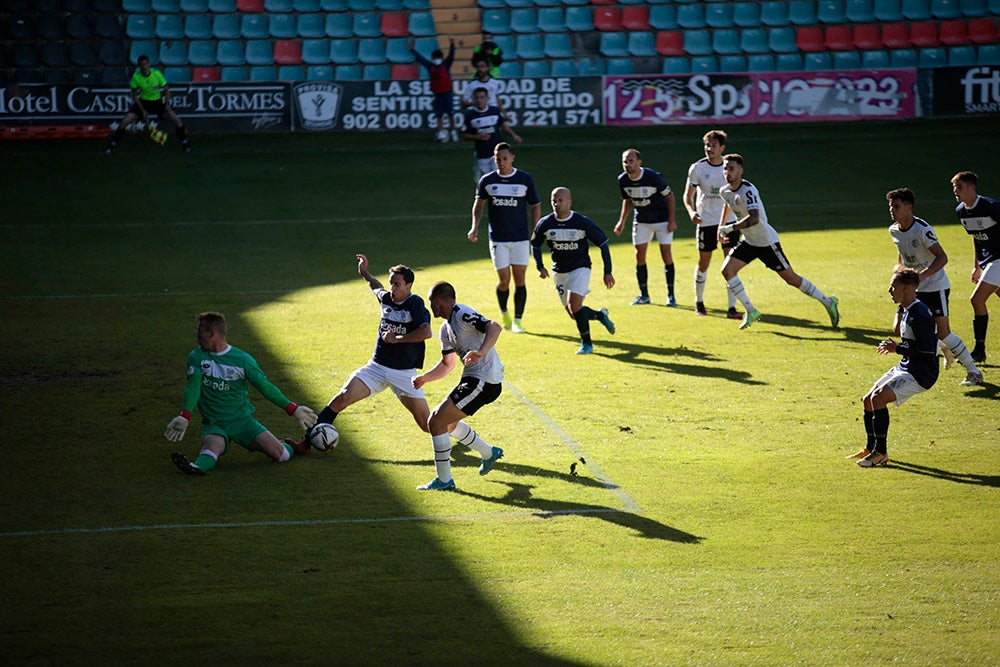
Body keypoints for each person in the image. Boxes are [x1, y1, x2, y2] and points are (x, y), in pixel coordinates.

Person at [292, 254, 432, 447]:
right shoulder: (386, 299)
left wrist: (397, 339)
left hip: (404, 373)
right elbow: (376, 286)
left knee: (428, 424)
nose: (392, 288)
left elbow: (426, 332)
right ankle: (306, 443)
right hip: (375, 368)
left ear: (409, 286)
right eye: (391, 283)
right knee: (341, 399)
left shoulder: (414, 303)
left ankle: (463, 433)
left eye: (397, 284)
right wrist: (365, 272)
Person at [165, 311, 318, 475]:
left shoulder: (243, 360)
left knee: (281, 455)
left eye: (200, 331)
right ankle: (196, 467)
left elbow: (265, 387)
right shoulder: (197, 357)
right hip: (214, 423)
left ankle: (293, 447)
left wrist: (293, 409)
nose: (197, 335)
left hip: (242, 421)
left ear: (212, 334)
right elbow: (193, 387)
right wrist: (185, 416)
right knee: (210, 447)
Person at [718, 153, 840, 330]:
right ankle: (751, 310)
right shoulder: (724, 191)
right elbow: (728, 204)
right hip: (750, 242)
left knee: (791, 279)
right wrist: (720, 227)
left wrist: (729, 228)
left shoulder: (748, 190)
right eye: (725, 169)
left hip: (767, 242)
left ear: (740, 171)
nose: (727, 172)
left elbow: (754, 219)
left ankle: (828, 302)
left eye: (731, 169)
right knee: (727, 270)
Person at [411, 281, 505, 491]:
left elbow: (494, 327)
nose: (430, 306)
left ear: (439, 300)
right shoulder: (445, 329)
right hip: (473, 379)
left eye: (430, 301)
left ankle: (444, 480)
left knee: (435, 422)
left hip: (484, 379)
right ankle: (489, 453)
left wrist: (480, 351)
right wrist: (425, 377)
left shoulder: (461, 313)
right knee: (447, 424)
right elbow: (448, 364)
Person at [886, 188, 983, 386]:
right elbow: (903, 255)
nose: (892, 210)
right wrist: (900, 274)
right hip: (912, 288)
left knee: (943, 331)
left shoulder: (922, 230)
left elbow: (942, 257)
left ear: (909, 207)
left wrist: (922, 277)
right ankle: (939, 345)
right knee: (898, 329)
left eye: (896, 206)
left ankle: (974, 371)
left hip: (935, 286)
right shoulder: (893, 230)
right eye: (890, 206)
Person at [849, 268, 939, 468]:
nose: (890, 290)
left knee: (879, 398)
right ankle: (870, 447)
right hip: (906, 366)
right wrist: (898, 348)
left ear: (906, 288)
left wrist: (897, 348)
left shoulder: (920, 314)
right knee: (868, 400)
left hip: (921, 373)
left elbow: (927, 350)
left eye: (893, 286)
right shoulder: (908, 310)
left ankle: (881, 453)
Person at [532, 186, 616, 354]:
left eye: (560, 200)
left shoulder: (582, 222)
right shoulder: (545, 224)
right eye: (554, 201)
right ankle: (600, 315)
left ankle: (587, 344)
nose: (557, 204)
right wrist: (539, 266)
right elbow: (535, 244)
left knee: (574, 305)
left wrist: (608, 271)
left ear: (569, 202)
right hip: (559, 271)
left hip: (580, 268)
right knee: (573, 312)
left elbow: (603, 244)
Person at [469, 142, 540, 333]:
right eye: (498, 159)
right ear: (494, 159)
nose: (501, 162)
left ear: (512, 158)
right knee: (504, 280)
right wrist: (474, 227)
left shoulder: (525, 179)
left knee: (520, 278)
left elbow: (535, 205)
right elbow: (479, 205)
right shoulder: (487, 180)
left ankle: (517, 320)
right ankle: (504, 312)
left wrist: (536, 230)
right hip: (498, 239)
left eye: (504, 159)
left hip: (520, 238)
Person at [684, 129, 742, 319]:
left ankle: (732, 308)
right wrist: (692, 212)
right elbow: (688, 196)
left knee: (730, 264)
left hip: (729, 223)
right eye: (707, 145)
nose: (709, 149)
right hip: (706, 222)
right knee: (704, 263)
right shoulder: (697, 168)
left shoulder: (729, 167)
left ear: (722, 148)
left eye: (713, 146)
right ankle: (699, 302)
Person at [613, 148, 678, 307]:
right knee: (639, 254)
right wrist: (621, 221)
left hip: (662, 220)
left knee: (666, 253)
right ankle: (644, 295)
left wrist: (671, 220)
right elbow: (627, 200)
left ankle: (671, 295)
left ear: (639, 162)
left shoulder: (652, 177)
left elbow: (670, 197)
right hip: (642, 220)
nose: (628, 164)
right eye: (625, 161)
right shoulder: (623, 180)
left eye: (631, 161)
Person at [950, 171, 1000, 363]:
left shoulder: (991, 207)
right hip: (989, 261)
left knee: (976, 300)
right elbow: (977, 238)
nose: (956, 191)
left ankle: (979, 350)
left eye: (959, 187)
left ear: (972, 188)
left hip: (999, 260)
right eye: (954, 187)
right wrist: (977, 266)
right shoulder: (961, 211)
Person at [105, 54, 191, 154]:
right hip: (143, 102)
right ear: (139, 66)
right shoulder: (136, 77)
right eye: (142, 64)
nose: (144, 66)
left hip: (157, 102)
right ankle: (112, 146)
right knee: (125, 122)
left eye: (146, 64)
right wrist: (143, 111)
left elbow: (166, 89)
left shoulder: (156, 74)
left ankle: (185, 146)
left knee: (177, 120)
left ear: (149, 64)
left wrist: (167, 105)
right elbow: (134, 95)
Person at [462, 88, 521, 184]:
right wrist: (478, 137)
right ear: (474, 100)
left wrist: (514, 135)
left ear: (487, 99)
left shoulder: (494, 111)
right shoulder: (470, 115)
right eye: (477, 98)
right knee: (486, 179)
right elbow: (465, 136)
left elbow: (502, 125)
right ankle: (477, 171)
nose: (479, 100)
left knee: (497, 177)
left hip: (498, 151)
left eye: (482, 97)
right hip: (482, 152)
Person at [410, 37, 457, 143]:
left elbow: (451, 56)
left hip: (447, 93)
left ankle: (454, 131)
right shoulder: (430, 66)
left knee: (451, 113)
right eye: (434, 57)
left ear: (441, 57)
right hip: (438, 94)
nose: (436, 59)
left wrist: (452, 45)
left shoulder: (445, 64)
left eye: (437, 57)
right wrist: (413, 50)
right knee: (439, 115)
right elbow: (420, 59)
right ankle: (440, 132)